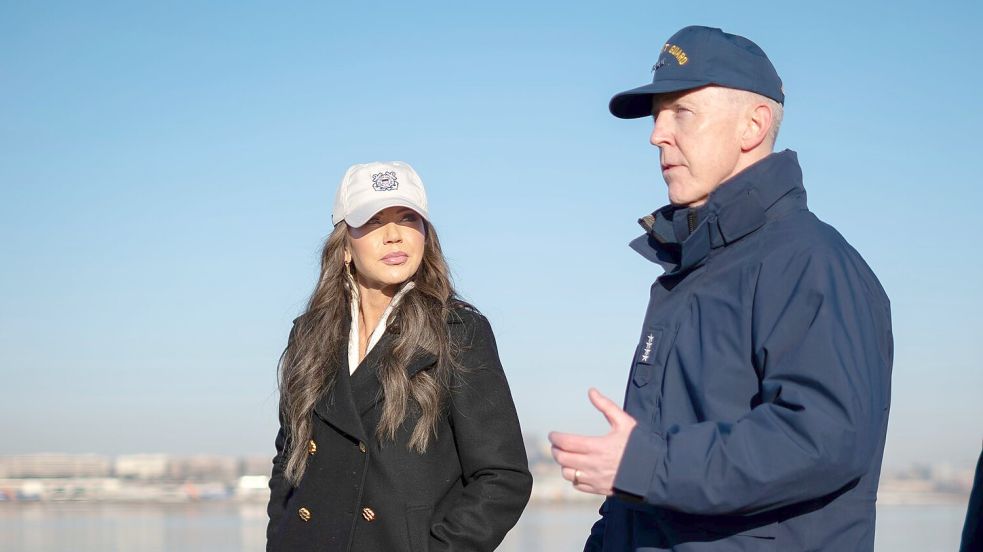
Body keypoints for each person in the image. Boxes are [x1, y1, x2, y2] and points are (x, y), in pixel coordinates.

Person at [549, 26, 893, 551]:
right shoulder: (693, 272)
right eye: (657, 115)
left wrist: (644, 464)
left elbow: (824, 437)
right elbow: (646, 485)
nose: (657, 134)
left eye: (681, 111)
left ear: (752, 125)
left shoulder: (810, 262)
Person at [267, 161, 532, 552]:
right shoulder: (309, 336)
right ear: (344, 246)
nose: (394, 236)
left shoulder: (457, 332)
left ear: (426, 235)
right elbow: (287, 462)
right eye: (373, 222)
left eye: (409, 219)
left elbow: (502, 477)